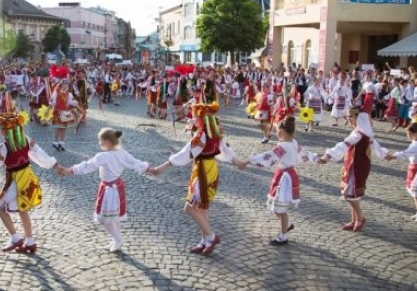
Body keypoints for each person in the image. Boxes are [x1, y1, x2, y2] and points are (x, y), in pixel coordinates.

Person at [0, 94, 57, 253]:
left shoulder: (4, 147)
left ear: (4, 130)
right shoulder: (25, 139)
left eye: (0, 128)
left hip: (15, 180)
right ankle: (30, 241)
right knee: (23, 209)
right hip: (27, 176)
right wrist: (53, 164)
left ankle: (16, 238)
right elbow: (38, 153)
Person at [151, 100, 236, 254]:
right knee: (201, 208)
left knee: (189, 208)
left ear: (202, 118)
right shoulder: (215, 132)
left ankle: (211, 236)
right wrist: (239, 162)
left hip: (203, 171)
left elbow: (185, 154)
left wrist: (160, 168)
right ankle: (204, 240)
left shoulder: (202, 135)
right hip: (210, 169)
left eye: (195, 116)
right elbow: (226, 150)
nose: (193, 118)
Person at [56, 128, 152, 252]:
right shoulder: (122, 153)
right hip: (117, 187)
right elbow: (135, 163)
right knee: (114, 217)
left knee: (105, 219)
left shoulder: (103, 156)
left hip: (110, 190)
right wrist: (149, 169)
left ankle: (118, 239)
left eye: (100, 141)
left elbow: (88, 165)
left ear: (107, 142)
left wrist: (70, 170)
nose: (99, 143)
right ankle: (115, 240)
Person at [234, 117, 318, 245]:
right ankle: (287, 225)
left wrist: (248, 161)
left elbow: (268, 157)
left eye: (277, 129)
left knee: (280, 208)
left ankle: (283, 236)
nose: (275, 131)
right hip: (285, 175)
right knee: (276, 206)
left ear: (283, 132)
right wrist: (317, 158)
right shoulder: (293, 143)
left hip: (284, 179)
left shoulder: (283, 146)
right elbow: (305, 154)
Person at [318, 108, 387, 232]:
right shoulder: (362, 132)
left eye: (351, 116)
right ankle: (354, 219)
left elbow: (344, 144)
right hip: (354, 165)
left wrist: (328, 155)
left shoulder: (359, 134)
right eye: (348, 116)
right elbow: (374, 145)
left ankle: (360, 218)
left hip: (357, 167)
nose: (348, 119)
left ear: (359, 118)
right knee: (352, 193)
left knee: (350, 193)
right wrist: (385, 155)